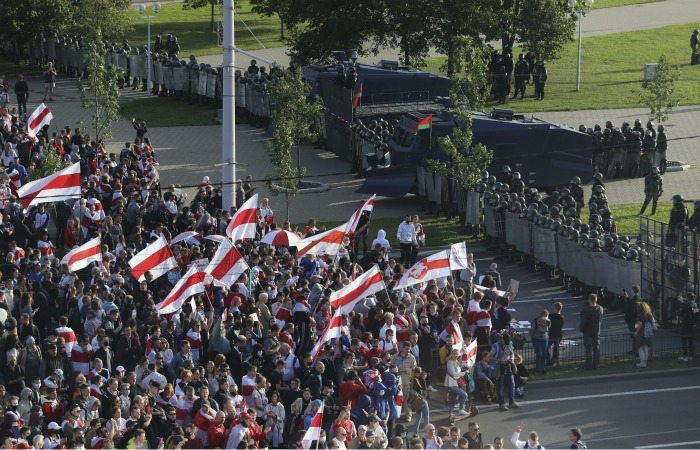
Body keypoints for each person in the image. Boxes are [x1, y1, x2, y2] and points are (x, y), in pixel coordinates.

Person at [488, 334, 519, 411]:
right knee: (500, 385)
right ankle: (501, 403)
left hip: (508, 365)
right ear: (502, 339)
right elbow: (490, 357)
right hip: (499, 366)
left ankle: (512, 401)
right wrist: (499, 360)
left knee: (512, 383)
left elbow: (512, 353)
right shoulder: (496, 346)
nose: (507, 343)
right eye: (506, 341)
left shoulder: (509, 343)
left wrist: (511, 359)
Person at [579, 294, 604, 370]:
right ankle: (596, 364)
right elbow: (601, 320)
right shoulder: (600, 308)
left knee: (588, 349)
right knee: (596, 348)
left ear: (589, 299)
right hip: (596, 330)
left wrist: (581, 329)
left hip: (587, 331)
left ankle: (588, 365)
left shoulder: (585, 310)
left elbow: (583, 322)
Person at [634, 301, 654, 368]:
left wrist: (636, 332)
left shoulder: (641, 316)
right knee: (645, 346)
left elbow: (639, 325)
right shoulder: (649, 314)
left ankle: (642, 362)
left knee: (640, 348)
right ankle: (645, 361)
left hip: (641, 333)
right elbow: (653, 321)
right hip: (648, 332)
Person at [530, 310, 550, 375]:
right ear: (541, 316)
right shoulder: (536, 321)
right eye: (544, 316)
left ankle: (543, 368)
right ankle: (538, 369)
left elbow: (548, 329)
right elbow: (532, 330)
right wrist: (532, 337)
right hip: (537, 338)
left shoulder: (548, 322)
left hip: (544, 339)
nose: (545, 317)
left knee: (544, 354)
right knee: (539, 354)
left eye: (546, 316)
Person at [678, 292, 696, 361]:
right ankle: (691, 355)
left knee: (684, 340)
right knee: (691, 341)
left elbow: (682, 313)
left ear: (687, 297)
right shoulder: (695, 304)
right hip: (692, 325)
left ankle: (685, 356)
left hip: (685, 325)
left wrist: (681, 303)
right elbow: (694, 312)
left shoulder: (686, 304)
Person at [547, 302, 564, 368]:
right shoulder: (562, 317)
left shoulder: (551, 316)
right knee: (556, 349)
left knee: (547, 347)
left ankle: (548, 360)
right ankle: (553, 361)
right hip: (558, 334)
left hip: (551, 334)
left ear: (555, 308)